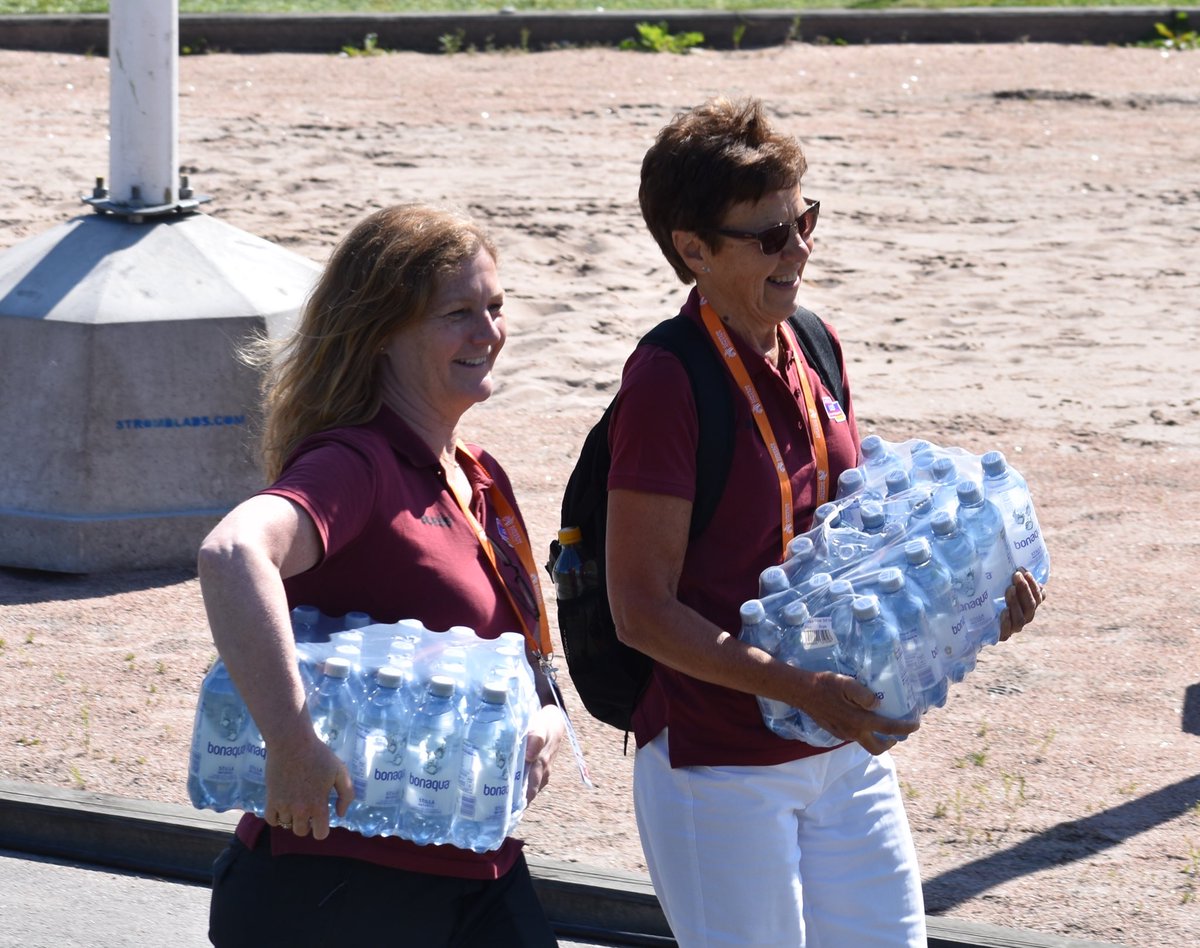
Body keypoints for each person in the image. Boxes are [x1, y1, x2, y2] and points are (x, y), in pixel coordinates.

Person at [604, 97, 1046, 947]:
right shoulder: (667, 378)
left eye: (803, 220)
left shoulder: (813, 341)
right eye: (768, 235)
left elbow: (859, 546)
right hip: (718, 764)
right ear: (692, 248)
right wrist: (797, 687)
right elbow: (640, 611)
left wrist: (975, 603)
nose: (799, 248)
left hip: (837, 747)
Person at [198, 204, 566, 947]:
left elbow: (515, 649)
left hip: (475, 867)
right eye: (457, 313)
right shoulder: (355, 463)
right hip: (336, 887)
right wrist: (292, 743)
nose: (488, 333)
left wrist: (546, 714)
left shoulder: (478, 474)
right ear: (380, 334)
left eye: (494, 307)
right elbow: (234, 554)